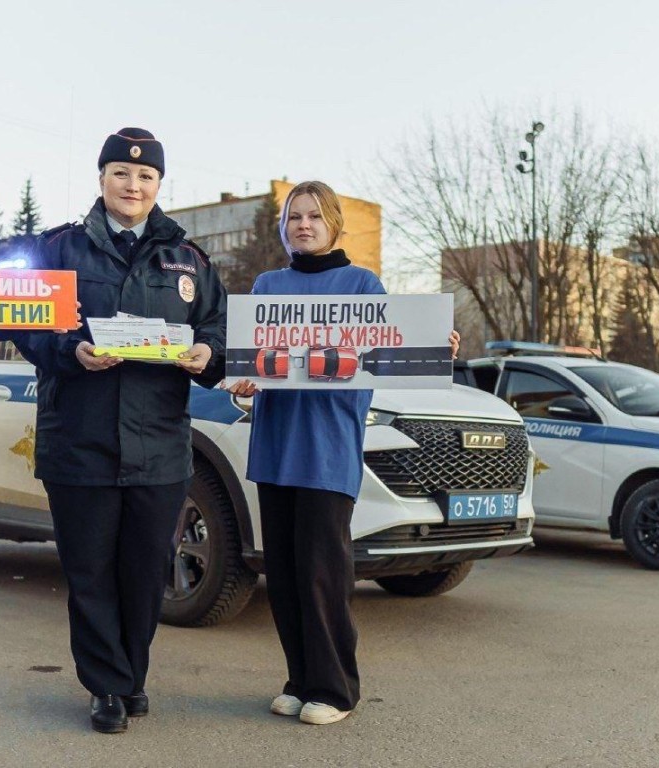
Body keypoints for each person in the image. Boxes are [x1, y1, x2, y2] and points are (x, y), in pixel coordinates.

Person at [12, 128, 226, 734]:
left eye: (146, 177)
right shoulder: (61, 249)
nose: (133, 186)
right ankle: (105, 686)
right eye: (121, 174)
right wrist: (70, 350)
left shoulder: (189, 259)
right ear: (101, 178)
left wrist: (206, 356)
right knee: (89, 570)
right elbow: (27, 328)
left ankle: (133, 676)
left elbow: (218, 331)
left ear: (159, 185)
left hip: (159, 445)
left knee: (143, 568)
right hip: (79, 440)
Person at [226, 181, 459, 725]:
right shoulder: (267, 285)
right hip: (275, 447)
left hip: (327, 447)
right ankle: (298, 679)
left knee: (322, 573)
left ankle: (335, 689)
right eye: (294, 217)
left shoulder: (360, 283)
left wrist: (434, 349)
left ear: (333, 223)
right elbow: (251, 360)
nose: (303, 225)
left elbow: (393, 350)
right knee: (282, 573)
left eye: (313, 216)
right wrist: (241, 380)